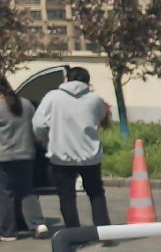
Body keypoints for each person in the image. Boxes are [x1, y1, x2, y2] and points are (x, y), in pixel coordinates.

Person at [31, 66, 110, 229]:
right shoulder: (95, 99)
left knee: (67, 196)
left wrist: (46, 139)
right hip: (90, 155)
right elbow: (102, 117)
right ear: (87, 81)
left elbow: (38, 124)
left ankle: (74, 230)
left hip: (62, 154)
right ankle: (104, 231)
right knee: (96, 193)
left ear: (66, 79)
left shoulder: (52, 97)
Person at [0, 74, 48, 241]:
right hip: (27, 154)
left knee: (6, 193)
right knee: (26, 190)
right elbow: (36, 129)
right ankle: (38, 224)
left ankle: (8, 232)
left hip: (4, 157)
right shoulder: (26, 104)